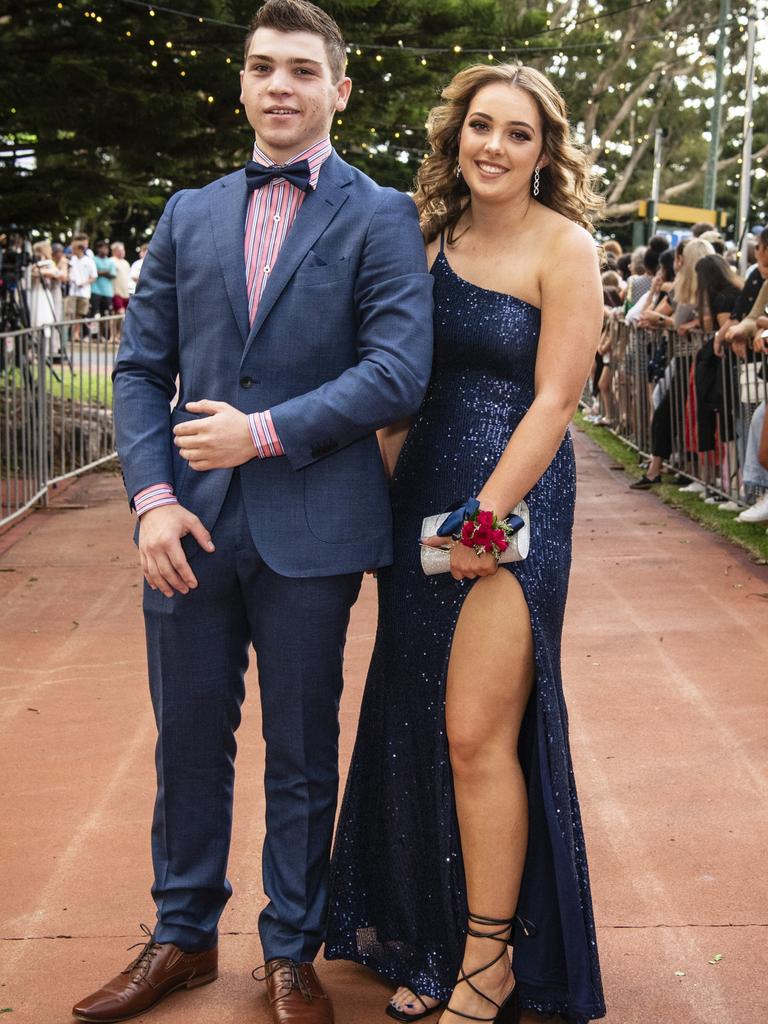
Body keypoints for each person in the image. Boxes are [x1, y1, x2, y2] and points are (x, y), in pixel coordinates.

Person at [71, 2, 433, 1023]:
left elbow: (398, 372)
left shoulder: (380, 214)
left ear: (339, 90)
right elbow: (139, 371)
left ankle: (291, 949)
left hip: (314, 527)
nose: (282, 86)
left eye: (304, 71)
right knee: (187, 737)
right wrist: (148, 501)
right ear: (242, 82)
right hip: (185, 526)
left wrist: (261, 431)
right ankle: (181, 936)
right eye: (264, 67)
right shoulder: (186, 212)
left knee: (302, 747)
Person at [326, 62, 606, 1024]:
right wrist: (386, 508)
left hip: (514, 512)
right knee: (415, 722)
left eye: (517, 132)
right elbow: (395, 392)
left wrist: (486, 518)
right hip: (421, 509)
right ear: (457, 138)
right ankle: (431, 930)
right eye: (480, 126)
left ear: (543, 151)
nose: (493, 145)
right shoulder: (427, 240)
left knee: (476, 735)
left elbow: (557, 401)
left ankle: (490, 960)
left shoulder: (563, 249)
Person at [63, 234, 97, 341]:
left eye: (74, 249)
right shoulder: (71, 260)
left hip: (84, 291)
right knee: (70, 313)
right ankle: (69, 333)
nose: (72, 250)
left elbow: (94, 276)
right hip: (73, 291)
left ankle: (76, 334)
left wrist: (85, 283)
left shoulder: (89, 261)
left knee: (80, 314)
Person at [91, 240, 116, 339]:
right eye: (103, 248)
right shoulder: (93, 259)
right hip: (95, 291)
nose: (105, 250)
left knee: (107, 314)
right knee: (95, 314)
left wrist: (100, 272)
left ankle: (107, 335)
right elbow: (93, 273)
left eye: (106, 248)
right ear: (98, 249)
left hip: (107, 292)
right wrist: (105, 272)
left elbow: (112, 275)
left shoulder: (110, 261)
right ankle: (95, 335)